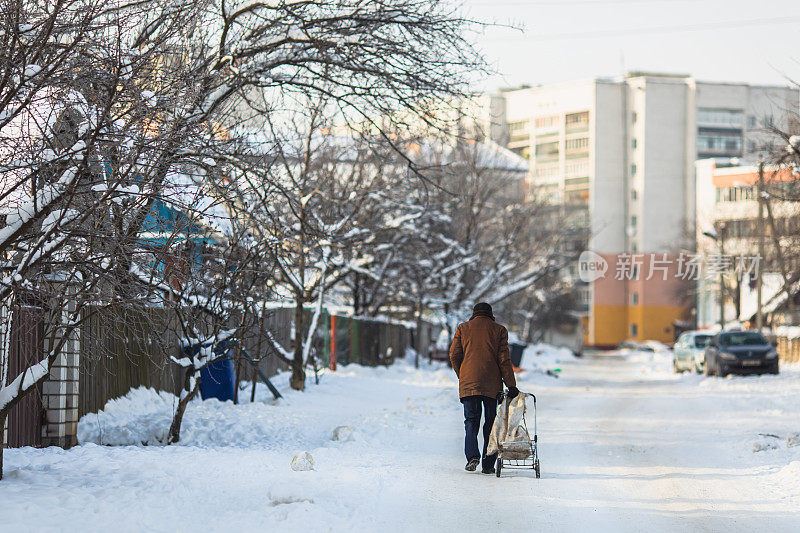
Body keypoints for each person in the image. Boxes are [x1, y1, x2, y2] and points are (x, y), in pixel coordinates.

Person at [449, 302, 519, 474]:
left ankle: (472, 456)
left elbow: (453, 354)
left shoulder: (462, 328)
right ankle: (488, 464)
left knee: (471, 421)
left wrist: (463, 374)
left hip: (469, 382)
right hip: (491, 384)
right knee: (490, 423)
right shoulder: (499, 330)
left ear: (474, 314)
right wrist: (511, 385)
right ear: (490, 315)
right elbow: (504, 360)